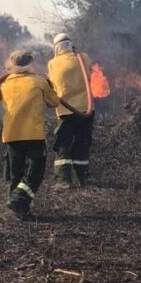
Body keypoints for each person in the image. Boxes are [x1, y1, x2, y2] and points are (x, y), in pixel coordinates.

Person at [0, 49, 62, 221]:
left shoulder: (3, 83)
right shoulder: (39, 81)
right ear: (31, 65)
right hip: (33, 134)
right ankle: (19, 199)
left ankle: (19, 210)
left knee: (16, 172)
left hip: (11, 135)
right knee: (35, 172)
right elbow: (54, 102)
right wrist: (50, 85)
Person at [47, 32, 95, 186]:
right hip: (86, 109)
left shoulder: (53, 63)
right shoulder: (84, 58)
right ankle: (83, 178)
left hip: (66, 111)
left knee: (63, 144)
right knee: (82, 143)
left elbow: (52, 83)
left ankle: (63, 180)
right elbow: (90, 74)